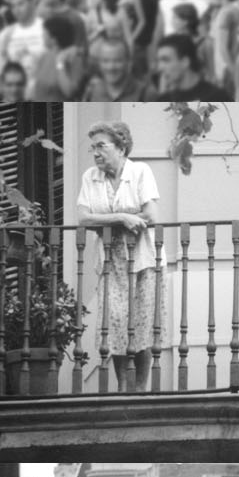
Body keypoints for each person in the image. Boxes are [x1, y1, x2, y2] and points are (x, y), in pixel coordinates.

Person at [77, 121, 166, 391]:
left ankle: (140, 388)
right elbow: (82, 219)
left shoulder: (139, 171)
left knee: (142, 321)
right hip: (110, 260)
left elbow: (151, 215)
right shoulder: (90, 177)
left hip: (141, 258)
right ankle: (123, 387)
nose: (95, 153)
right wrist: (123, 217)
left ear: (121, 147)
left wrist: (104, 220)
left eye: (101, 146)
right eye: (93, 147)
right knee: (114, 323)